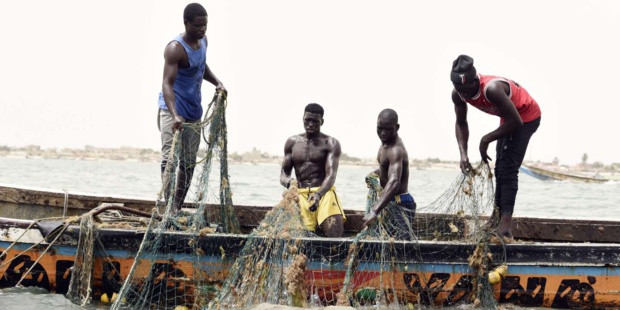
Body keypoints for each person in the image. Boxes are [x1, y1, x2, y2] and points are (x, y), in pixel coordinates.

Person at [450, 54, 541, 239]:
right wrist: (463, 155)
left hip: (526, 117)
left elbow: (517, 121)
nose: (464, 94)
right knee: (499, 168)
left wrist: (486, 139)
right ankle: (495, 218)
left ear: (475, 80)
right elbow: (461, 123)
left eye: (467, 89)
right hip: (509, 118)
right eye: (460, 90)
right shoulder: (458, 93)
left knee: (507, 169)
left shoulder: (492, 89)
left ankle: (505, 226)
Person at [158, 3, 226, 215]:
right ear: (186, 23)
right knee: (170, 159)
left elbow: (201, 66)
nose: (202, 30)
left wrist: (217, 82)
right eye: (198, 26)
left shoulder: (203, 41)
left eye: (205, 25)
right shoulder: (175, 49)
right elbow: (166, 84)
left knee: (188, 163)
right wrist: (175, 113)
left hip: (194, 111)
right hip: (172, 110)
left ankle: (177, 206)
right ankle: (167, 206)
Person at [280, 103, 346, 237]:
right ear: (303, 119)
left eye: (315, 121)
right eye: (307, 120)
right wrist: (289, 182)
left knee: (335, 237)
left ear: (322, 121)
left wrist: (318, 195)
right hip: (300, 195)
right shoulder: (292, 142)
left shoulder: (331, 143)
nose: (310, 124)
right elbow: (283, 174)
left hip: (324, 194)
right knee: (296, 241)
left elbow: (331, 175)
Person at [362, 109, 416, 240]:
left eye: (388, 129)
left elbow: (394, 181)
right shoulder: (384, 144)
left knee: (400, 245)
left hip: (401, 203)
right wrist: (374, 174)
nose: (383, 133)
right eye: (380, 128)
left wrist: (374, 210)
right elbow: (386, 169)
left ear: (397, 127)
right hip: (388, 202)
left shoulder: (395, 150)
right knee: (386, 241)